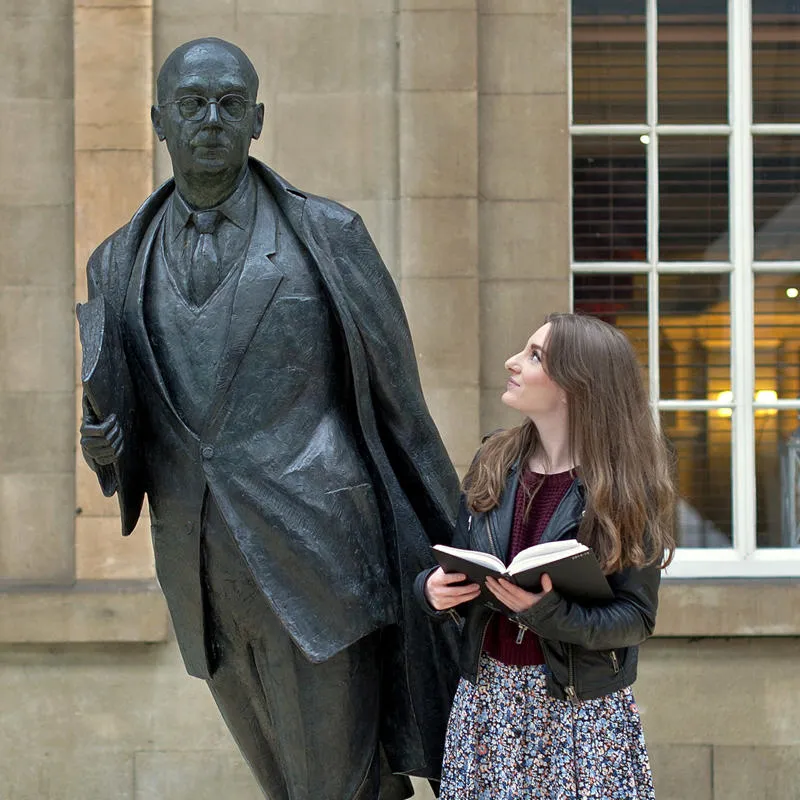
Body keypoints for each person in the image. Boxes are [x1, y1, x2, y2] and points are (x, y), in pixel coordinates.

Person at [78, 37, 460, 800]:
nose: (209, 120)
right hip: (201, 569)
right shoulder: (116, 262)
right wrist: (104, 450)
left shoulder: (330, 235)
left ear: (258, 120)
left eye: (228, 104)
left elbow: (401, 410)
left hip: (323, 556)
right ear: (159, 121)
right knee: (288, 785)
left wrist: (459, 542)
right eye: (191, 105)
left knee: (337, 786)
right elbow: (138, 420)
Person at [414, 312, 677, 799]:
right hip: (486, 704)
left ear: (577, 385)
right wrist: (431, 590)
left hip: (578, 715)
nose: (513, 362)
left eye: (535, 356)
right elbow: (457, 558)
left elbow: (636, 618)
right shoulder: (495, 458)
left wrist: (546, 613)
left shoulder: (624, 485)